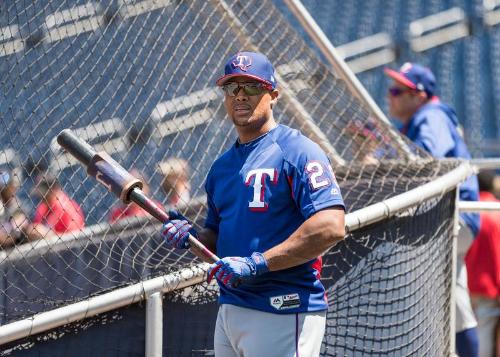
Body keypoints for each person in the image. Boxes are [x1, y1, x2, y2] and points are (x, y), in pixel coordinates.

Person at [161, 51, 346, 356]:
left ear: (273, 95)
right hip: (231, 308)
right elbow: (217, 241)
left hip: (284, 306)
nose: (241, 96)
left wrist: (257, 263)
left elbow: (331, 226)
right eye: (233, 88)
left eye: (252, 87)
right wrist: (190, 237)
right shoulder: (221, 168)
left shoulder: (298, 150)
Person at [385, 62, 480, 357]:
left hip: (453, 217)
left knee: (421, 299)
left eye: (399, 90)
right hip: (448, 217)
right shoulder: (422, 116)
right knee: (456, 304)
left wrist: (382, 158)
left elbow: (428, 157)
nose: (391, 96)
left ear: (420, 95)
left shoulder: (431, 115)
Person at [465, 170, 500, 357]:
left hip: (467, 281)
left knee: (469, 328)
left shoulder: (467, 210)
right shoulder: (497, 211)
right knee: (485, 332)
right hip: (491, 284)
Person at [25, 172, 85, 241]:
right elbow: (36, 226)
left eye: (45, 192)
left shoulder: (66, 208)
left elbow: (76, 236)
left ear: (54, 189)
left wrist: (47, 235)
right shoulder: (43, 206)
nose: (41, 196)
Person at [0, 170, 30, 248]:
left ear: (12, 187)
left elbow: (13, 236)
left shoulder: (18, 208)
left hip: (20, 253)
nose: (3, 192)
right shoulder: (2, 208)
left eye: (5, 188)